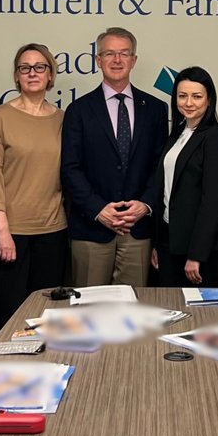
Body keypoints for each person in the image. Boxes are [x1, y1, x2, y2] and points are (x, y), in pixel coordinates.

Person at [61, 27, 168, 287]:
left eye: (124, 53)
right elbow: (70, 168)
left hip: (138, 229)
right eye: (109, 53)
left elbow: (160, 166)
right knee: (88, 313)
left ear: (134, 60)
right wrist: (98, 209)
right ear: (98, 60)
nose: (117, 60)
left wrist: (145, 205)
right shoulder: (78, 110)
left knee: (133, 312)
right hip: (91, 228)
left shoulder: (155, 109)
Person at [0, 43, 68, 340]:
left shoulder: (63, 119)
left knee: (46, 316)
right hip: (8, 233)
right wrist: (3, 232)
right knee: (6, 314)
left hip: (52, 231)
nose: (32, 73)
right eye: (24, 68)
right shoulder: (0, 117)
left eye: (40, 67)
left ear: (50, 75)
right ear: (16, 76)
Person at [150, 66, 218, 287]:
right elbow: (165, 191)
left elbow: (212, 202)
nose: (188, 103)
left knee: (200, 316)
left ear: (209, 100)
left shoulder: (216, 137)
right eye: (182, 96)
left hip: (200, 250)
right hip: (169, 240)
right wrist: (157, 244)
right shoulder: (177, 133)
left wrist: (196, 255)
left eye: (196, 97)